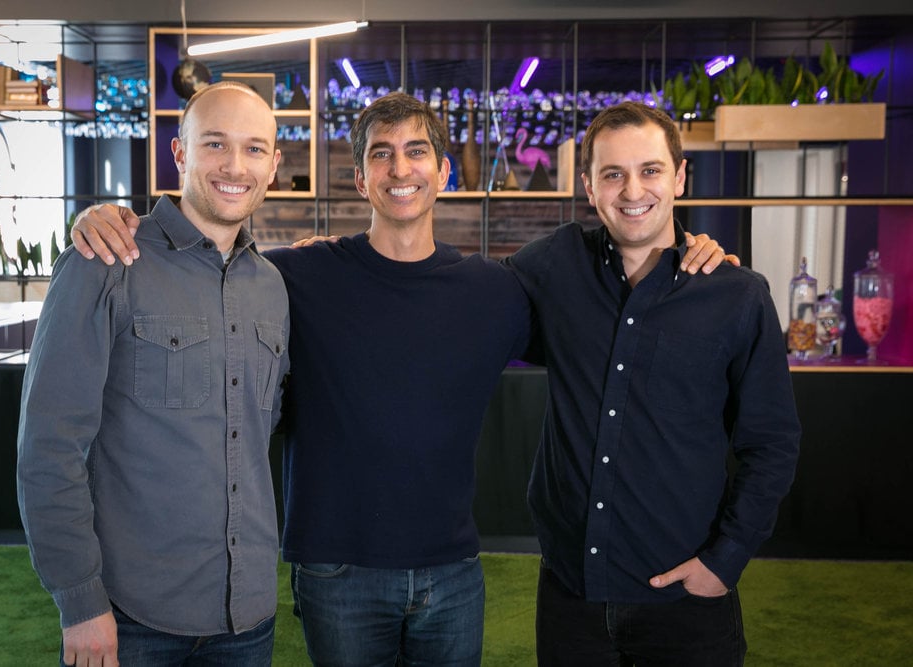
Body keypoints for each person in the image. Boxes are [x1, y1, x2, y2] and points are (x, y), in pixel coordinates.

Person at [68, 92, 730, 666]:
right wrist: (109, 218)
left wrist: (689, 254)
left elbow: (612, 309)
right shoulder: (294, 277)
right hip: (336, 571)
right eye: (381, 154)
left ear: (443, 171)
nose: (400, 167)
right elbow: (207, 264)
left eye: (416, 151)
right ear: (360, 178)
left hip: (452, 572)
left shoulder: (496, 292)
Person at [504, 101, 801, 665]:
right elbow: (457, 297)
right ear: (588, 186)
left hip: (688, 604)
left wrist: (725, 562)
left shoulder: (737, 295)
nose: (632, 189)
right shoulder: (553, 266)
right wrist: (331, 259)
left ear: (680, 177)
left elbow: (772, 442)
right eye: (612, 174)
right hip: (571, 599)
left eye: (650, 170)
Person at [17, 81, 290, 667]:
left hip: (247, 615)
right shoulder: (105, 260)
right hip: (131, 617)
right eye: (215, 144)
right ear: (180, 152)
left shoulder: (272, 287)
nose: (235, 166)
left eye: (254, 149)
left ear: (274, 164)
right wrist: (80, 601)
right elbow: (48, 449)